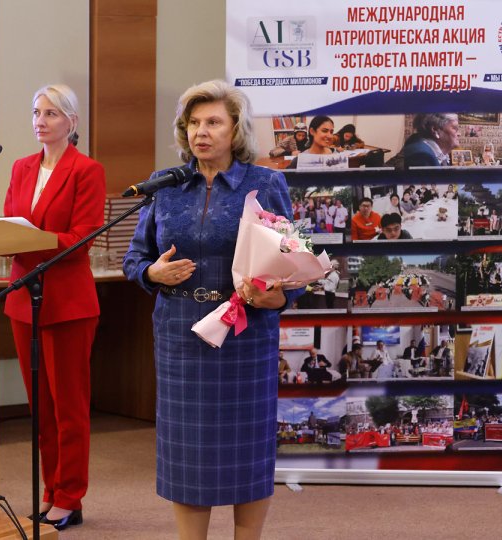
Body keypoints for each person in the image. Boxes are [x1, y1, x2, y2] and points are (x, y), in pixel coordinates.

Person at [123, 80, 301, 540]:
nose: (201, 132)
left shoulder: (265, 183)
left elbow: (295, 263)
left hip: (246, 333)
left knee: (248, 448)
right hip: (180, 334)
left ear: (235, 129)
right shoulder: (166, 185)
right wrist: (152, 274)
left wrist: (280, 297)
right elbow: (134, 259)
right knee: (188, 452)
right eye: (194, 123)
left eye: (213, 122)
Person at [1, 84, 105, 531]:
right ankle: (51, 491)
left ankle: (70, 497)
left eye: (50, 113)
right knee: (41, 407)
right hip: (23, 299)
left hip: (68, 302)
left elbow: (82, 238)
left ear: (71, 122)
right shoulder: (21, 167)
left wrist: (29, 240)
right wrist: (7, 235)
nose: (39, 121)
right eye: (35, 112)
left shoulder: (87, 170)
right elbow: (9, 223)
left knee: (69, 406)